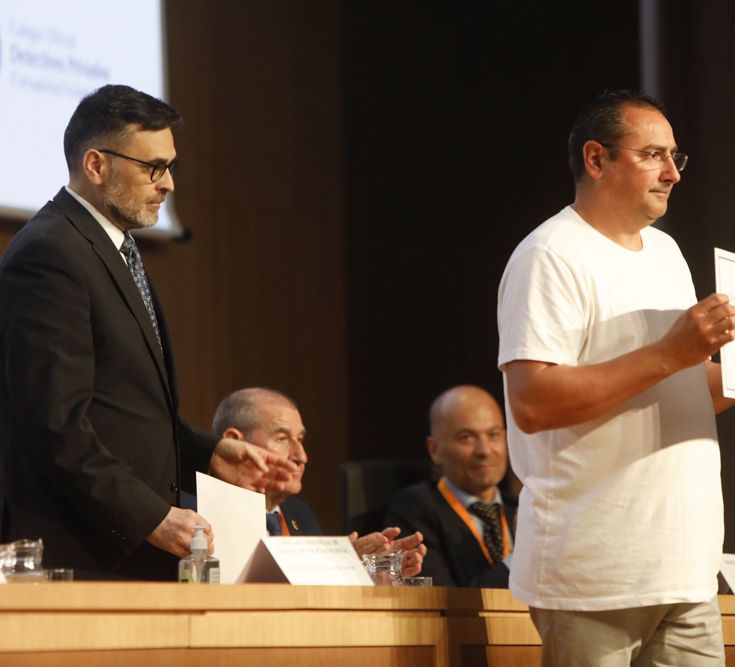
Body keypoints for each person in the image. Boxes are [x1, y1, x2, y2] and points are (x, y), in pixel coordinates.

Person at [497, 89, 735, 666]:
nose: (673, 173)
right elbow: (533, 403)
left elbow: (679, 390)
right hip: (594, 571)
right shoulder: (550, 256)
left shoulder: (666, 253)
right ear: (597, 160)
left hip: (683, 565)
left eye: (676, 156)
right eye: (653, 154)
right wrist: (673, 353)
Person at [0, 85, 293, 581]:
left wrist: (209, 453)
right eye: (153, 167)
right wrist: (152, 517)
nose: (168, 185)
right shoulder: (50, 255)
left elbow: (123, 411)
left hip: (120, 555)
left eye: (171, 167)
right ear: (96, 165)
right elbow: (56, 427)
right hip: (80, 559)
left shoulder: (111, 249)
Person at [211, 387, 426, 575]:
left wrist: (357, 571)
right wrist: (338, 565)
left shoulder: (300, 514)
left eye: (301, 439)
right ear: (234, 441)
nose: (301, 456)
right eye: (282, 439)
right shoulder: (197, 511)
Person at [385, 385, 515, 587]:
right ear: (435, 449)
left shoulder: (520, 510)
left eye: (494, 434)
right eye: (467, 437)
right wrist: (521, 559)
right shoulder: (415, 510)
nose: (485, 450)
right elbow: (441, 601)